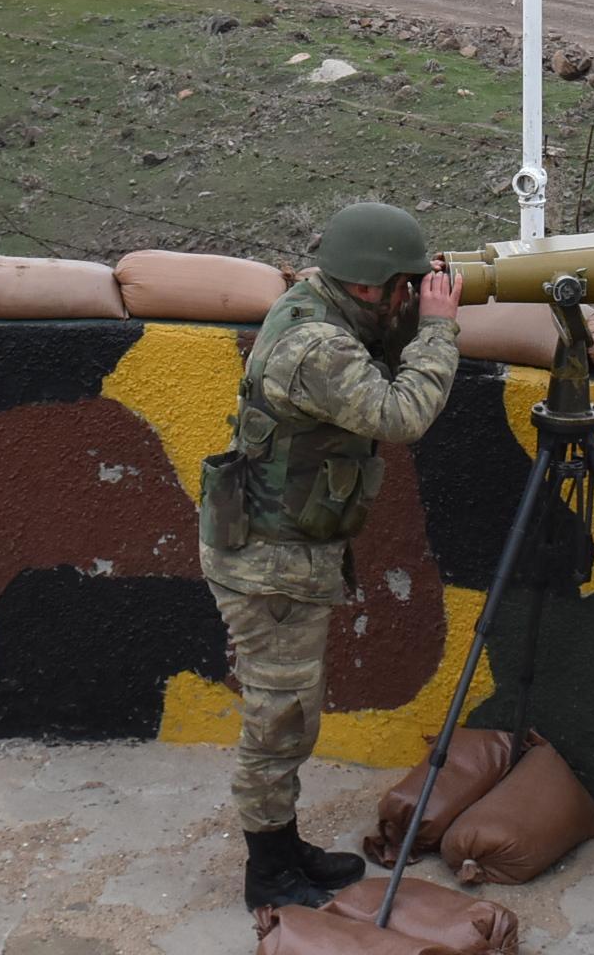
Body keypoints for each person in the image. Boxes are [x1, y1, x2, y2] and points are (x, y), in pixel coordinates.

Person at [200, 201, 463, 912]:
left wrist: (416, 306)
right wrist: (438, 328)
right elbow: (401, 414)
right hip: (270, 563)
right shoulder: (317, 347)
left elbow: (373, 344)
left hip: (279, 548)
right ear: (373, 285)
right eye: (403, 286)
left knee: (291, 714)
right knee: (279, 720)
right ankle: (268, 873)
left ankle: (285, 849)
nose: (410, 296)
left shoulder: (319, 299)